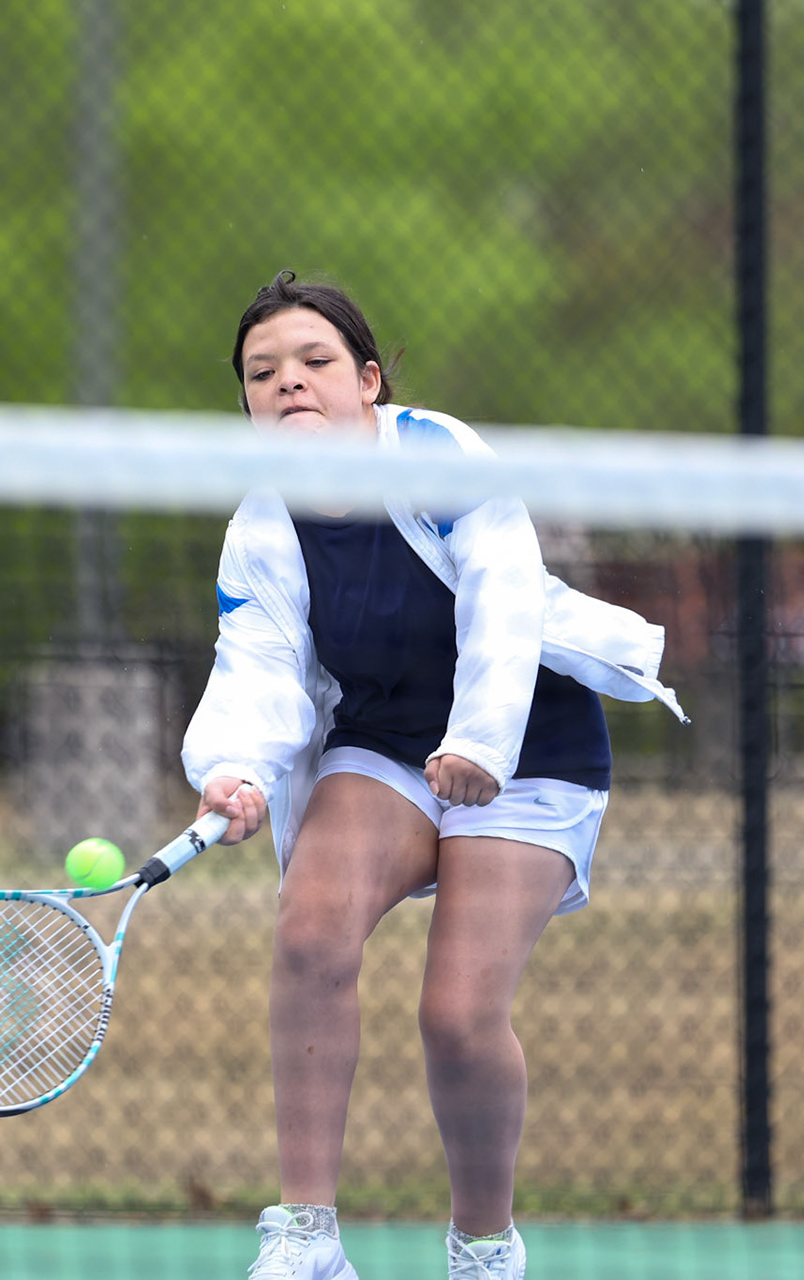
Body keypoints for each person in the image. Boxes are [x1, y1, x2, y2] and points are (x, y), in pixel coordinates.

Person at [182, 271, 686, 1280]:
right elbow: (261, 668)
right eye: (262, 372)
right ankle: (307, 1237)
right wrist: (233, 769)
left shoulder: (440, 454)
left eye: (316, 362)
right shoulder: (259, 524)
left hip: (526, 742)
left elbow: (502, 604)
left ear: (368, 381)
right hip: (386, 739)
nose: (290, 384)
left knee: (456, 1016)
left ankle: (485, 1244)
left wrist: (480, 745)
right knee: (309, 928)